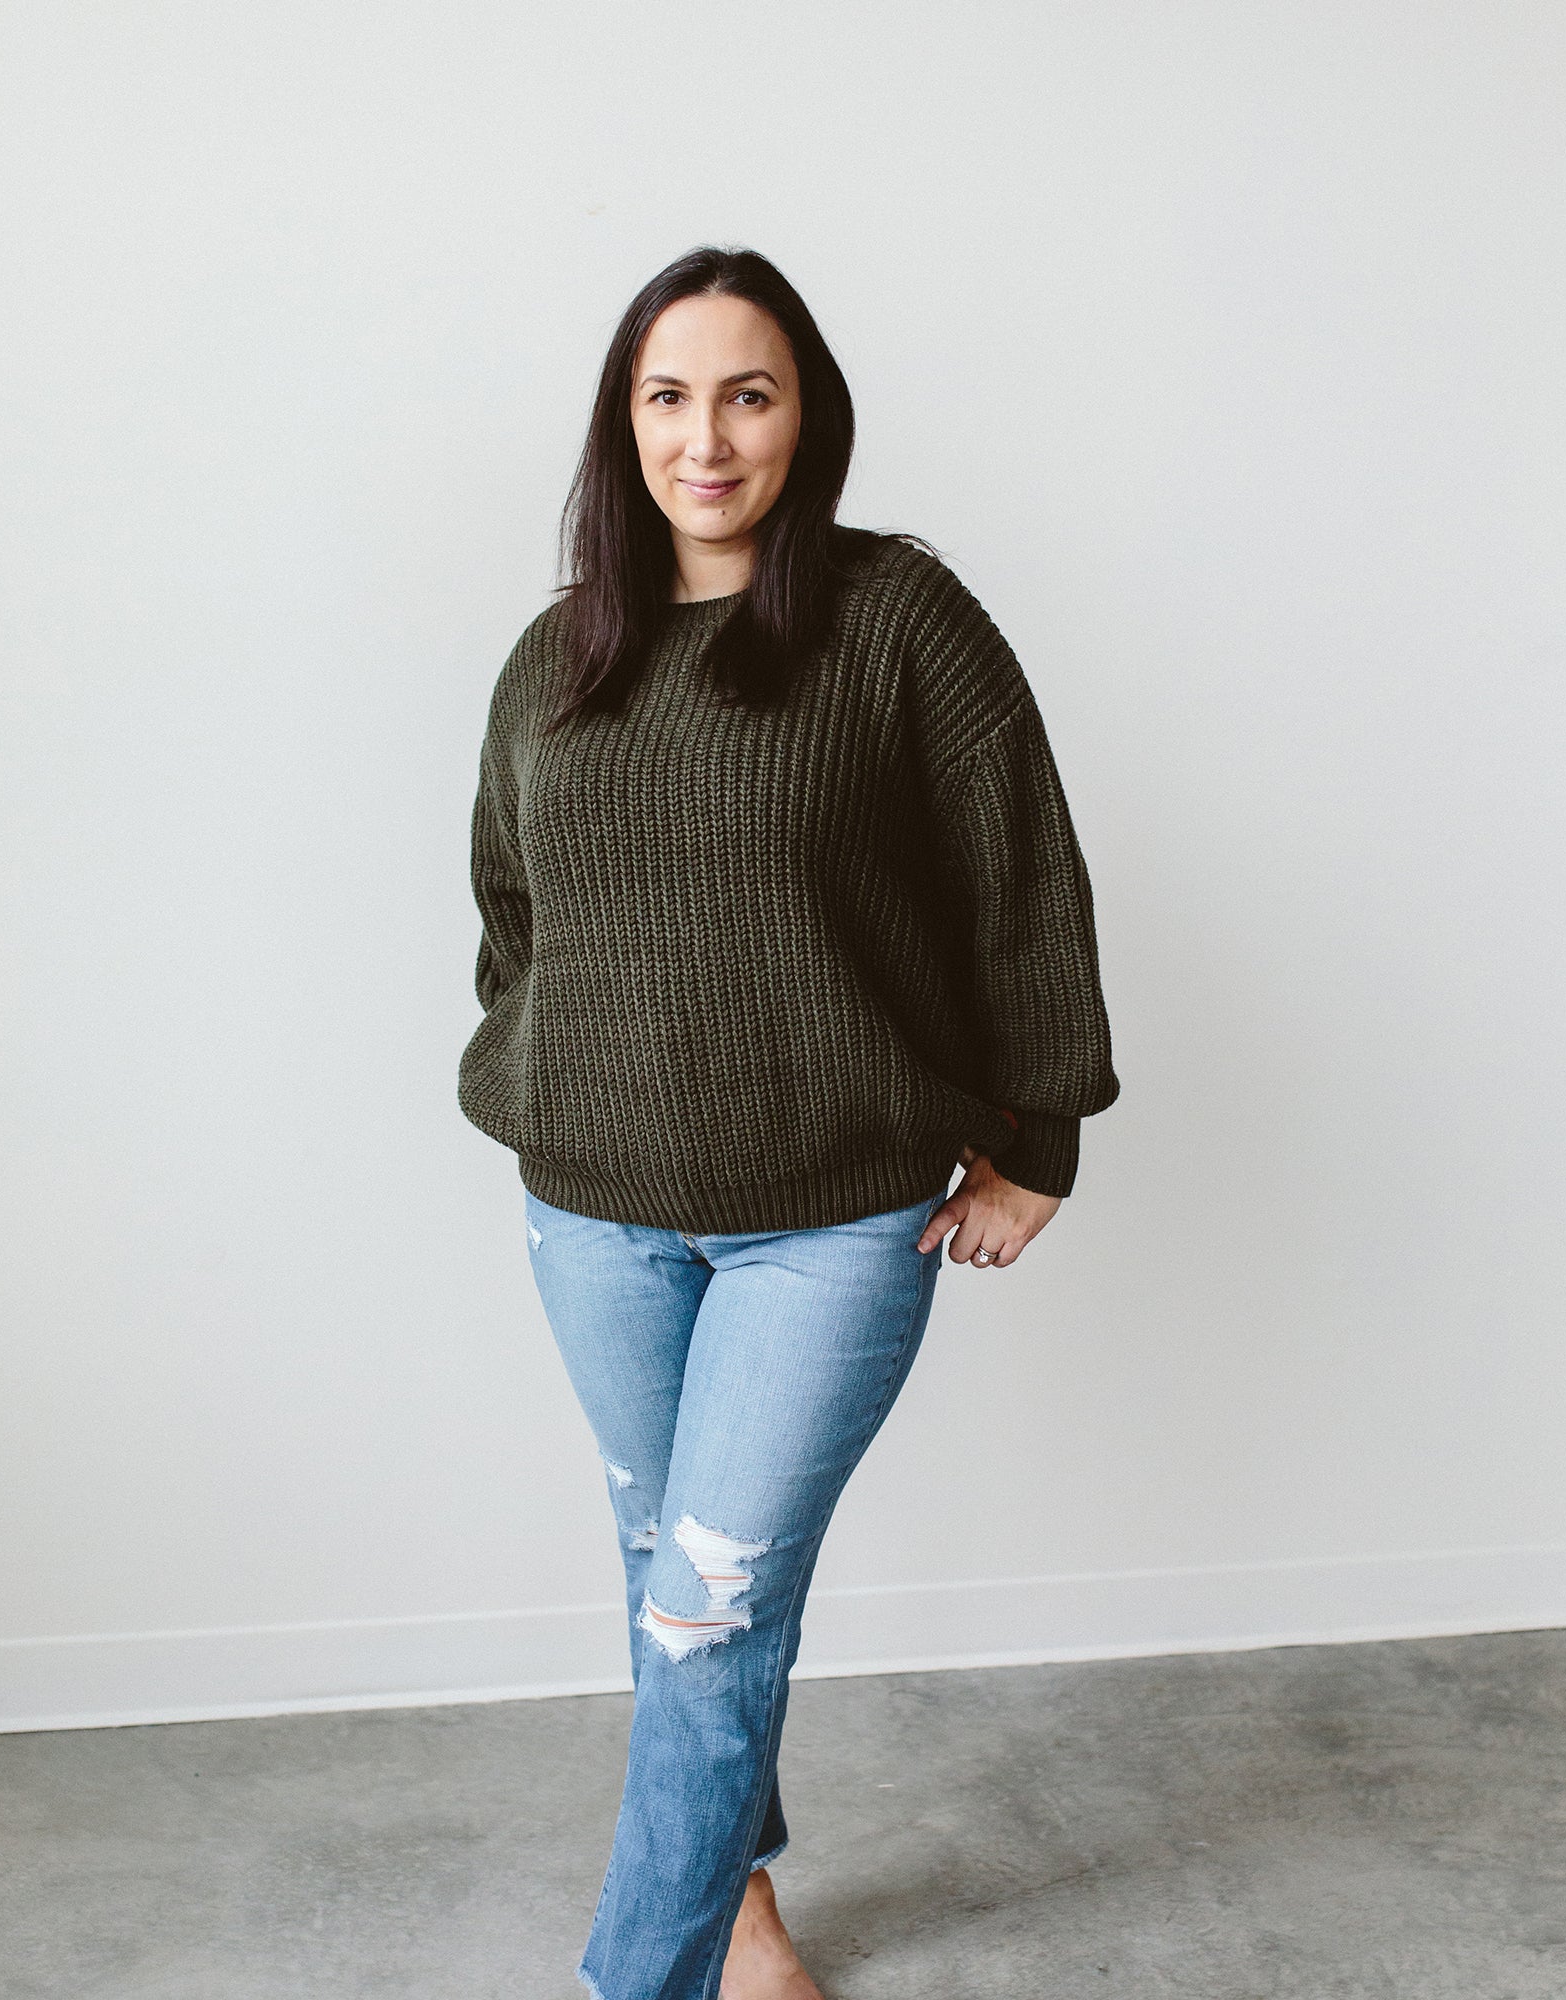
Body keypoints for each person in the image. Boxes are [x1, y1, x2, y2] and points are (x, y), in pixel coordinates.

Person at [458, 245, 1118, 2000]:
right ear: (624, 423)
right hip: (594, 1216)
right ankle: (741, 1914)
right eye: (668, 397)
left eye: (748, 395)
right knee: (665, 1576)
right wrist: (562, 1063)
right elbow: (512, 911)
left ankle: (636, 1980)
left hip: (827, 1222)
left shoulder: (898, 619)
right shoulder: (556, 656)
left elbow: (1021, 880)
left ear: (805, 414)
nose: (708, 438)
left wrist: (1038, 1136)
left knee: (712, 1602)